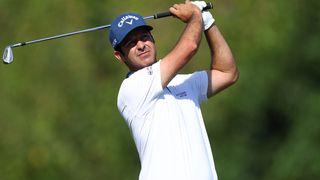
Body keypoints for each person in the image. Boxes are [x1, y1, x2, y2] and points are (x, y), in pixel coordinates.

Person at [109, 1, 238, 179]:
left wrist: (207, 22)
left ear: (153, 40)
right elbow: (189, 47)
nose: (141, 45)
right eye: (131, 43)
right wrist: (195, 16)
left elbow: (227, 72)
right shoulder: (131, 89)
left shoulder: (181, 82)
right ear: (119, 55)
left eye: (145, 37)